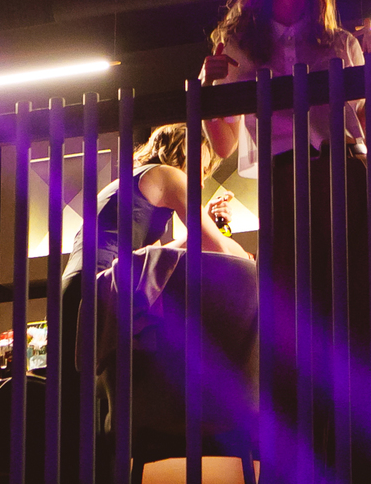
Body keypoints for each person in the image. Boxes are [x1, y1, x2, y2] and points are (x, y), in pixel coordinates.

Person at [201, 0, 371, 484]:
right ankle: (302, 477)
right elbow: (222, 144)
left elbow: (361, 123)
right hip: (286, 182)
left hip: (350, 175)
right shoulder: (235, 44)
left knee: (363, 318)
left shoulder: (339, 42)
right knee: (294, 324)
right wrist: (211, 89)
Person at [61, 124, 257, 448]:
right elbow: (218, 247)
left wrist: (205, 224)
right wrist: (251, 260)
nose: (202, 179)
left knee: (76, 412)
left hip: (75, 287)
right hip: (99, 284)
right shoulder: (170, 175)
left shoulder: (134, 180)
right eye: (202, 167)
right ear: (183, 152)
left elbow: (166, 250)